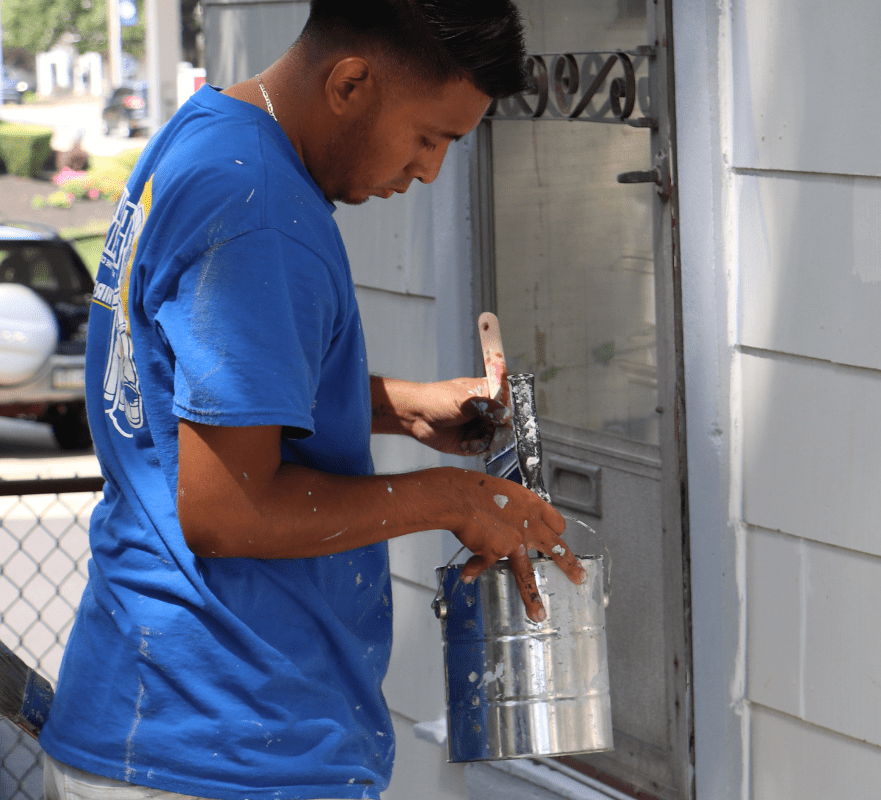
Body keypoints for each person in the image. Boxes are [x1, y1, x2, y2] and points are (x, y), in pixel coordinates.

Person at [38, 1, 585, 798]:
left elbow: (190, 396)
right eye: (430, 137)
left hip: (164, 714)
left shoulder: (211, 135)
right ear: (353, 82)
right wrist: (450, 498)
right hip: (221, 745)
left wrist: (398, 407)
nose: (430, 170)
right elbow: (228, 511)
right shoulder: (261, 215)